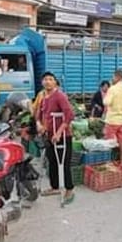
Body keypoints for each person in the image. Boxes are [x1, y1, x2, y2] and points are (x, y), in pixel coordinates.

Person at [35, 72, 74, 203]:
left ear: (55, 82)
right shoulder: (43, 97)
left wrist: (58, 133)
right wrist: (40, 125)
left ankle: (69, 189)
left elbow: (69, 115)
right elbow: (41, 115)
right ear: (42, 82)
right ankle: (54, 186)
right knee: (52, 162)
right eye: (45, 79)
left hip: (62, 135)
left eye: (50, 79)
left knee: (64, 163)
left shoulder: (60, 96)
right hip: (49, 135)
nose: (47, 82)